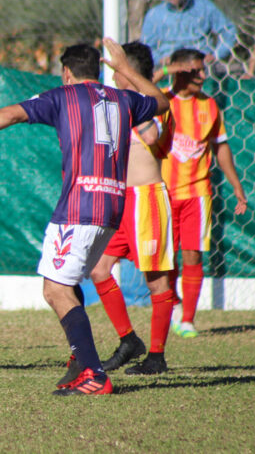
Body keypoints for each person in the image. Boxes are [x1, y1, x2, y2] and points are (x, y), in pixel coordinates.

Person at [0, 38, 169, 396]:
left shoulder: (62, 96)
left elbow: (11, 113)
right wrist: (125, 70)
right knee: (69, 281)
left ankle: (93, 374)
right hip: (112, 207)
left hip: (78, 207)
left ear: (66, 72)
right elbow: (163, 102)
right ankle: (81, 362)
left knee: (55, 288)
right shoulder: (123, 98)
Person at [88, 42, 176, 376]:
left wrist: (129, 75)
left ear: (130, 72)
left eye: (118, 69)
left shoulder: (148, 104)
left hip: (147, 201)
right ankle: (129, 341)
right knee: (98, 269)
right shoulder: (118, 103)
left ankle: (156, 355)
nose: (113, 75)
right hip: (121, 201)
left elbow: (152, 134)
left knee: (156, 282)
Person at [160, 48, 248, 338]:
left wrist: (236, 184)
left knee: (193, 255)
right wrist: (167, 70)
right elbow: (133, 88)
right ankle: (173, 304)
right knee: (165, 258)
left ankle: (187, 320)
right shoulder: (160, 99)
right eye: (196, 70)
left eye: (202, 69)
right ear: (179, 71)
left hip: (198, 192)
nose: (202, 75)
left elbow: (220, 147)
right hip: (162, 192)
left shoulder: (209, 106)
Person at [142, 0, 237, 80]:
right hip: (169, 70)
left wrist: (217, 54)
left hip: (201, 67)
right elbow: (146, 46)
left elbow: (229, 30)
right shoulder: (155, 14)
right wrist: (160, 59)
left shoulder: (204, 7)